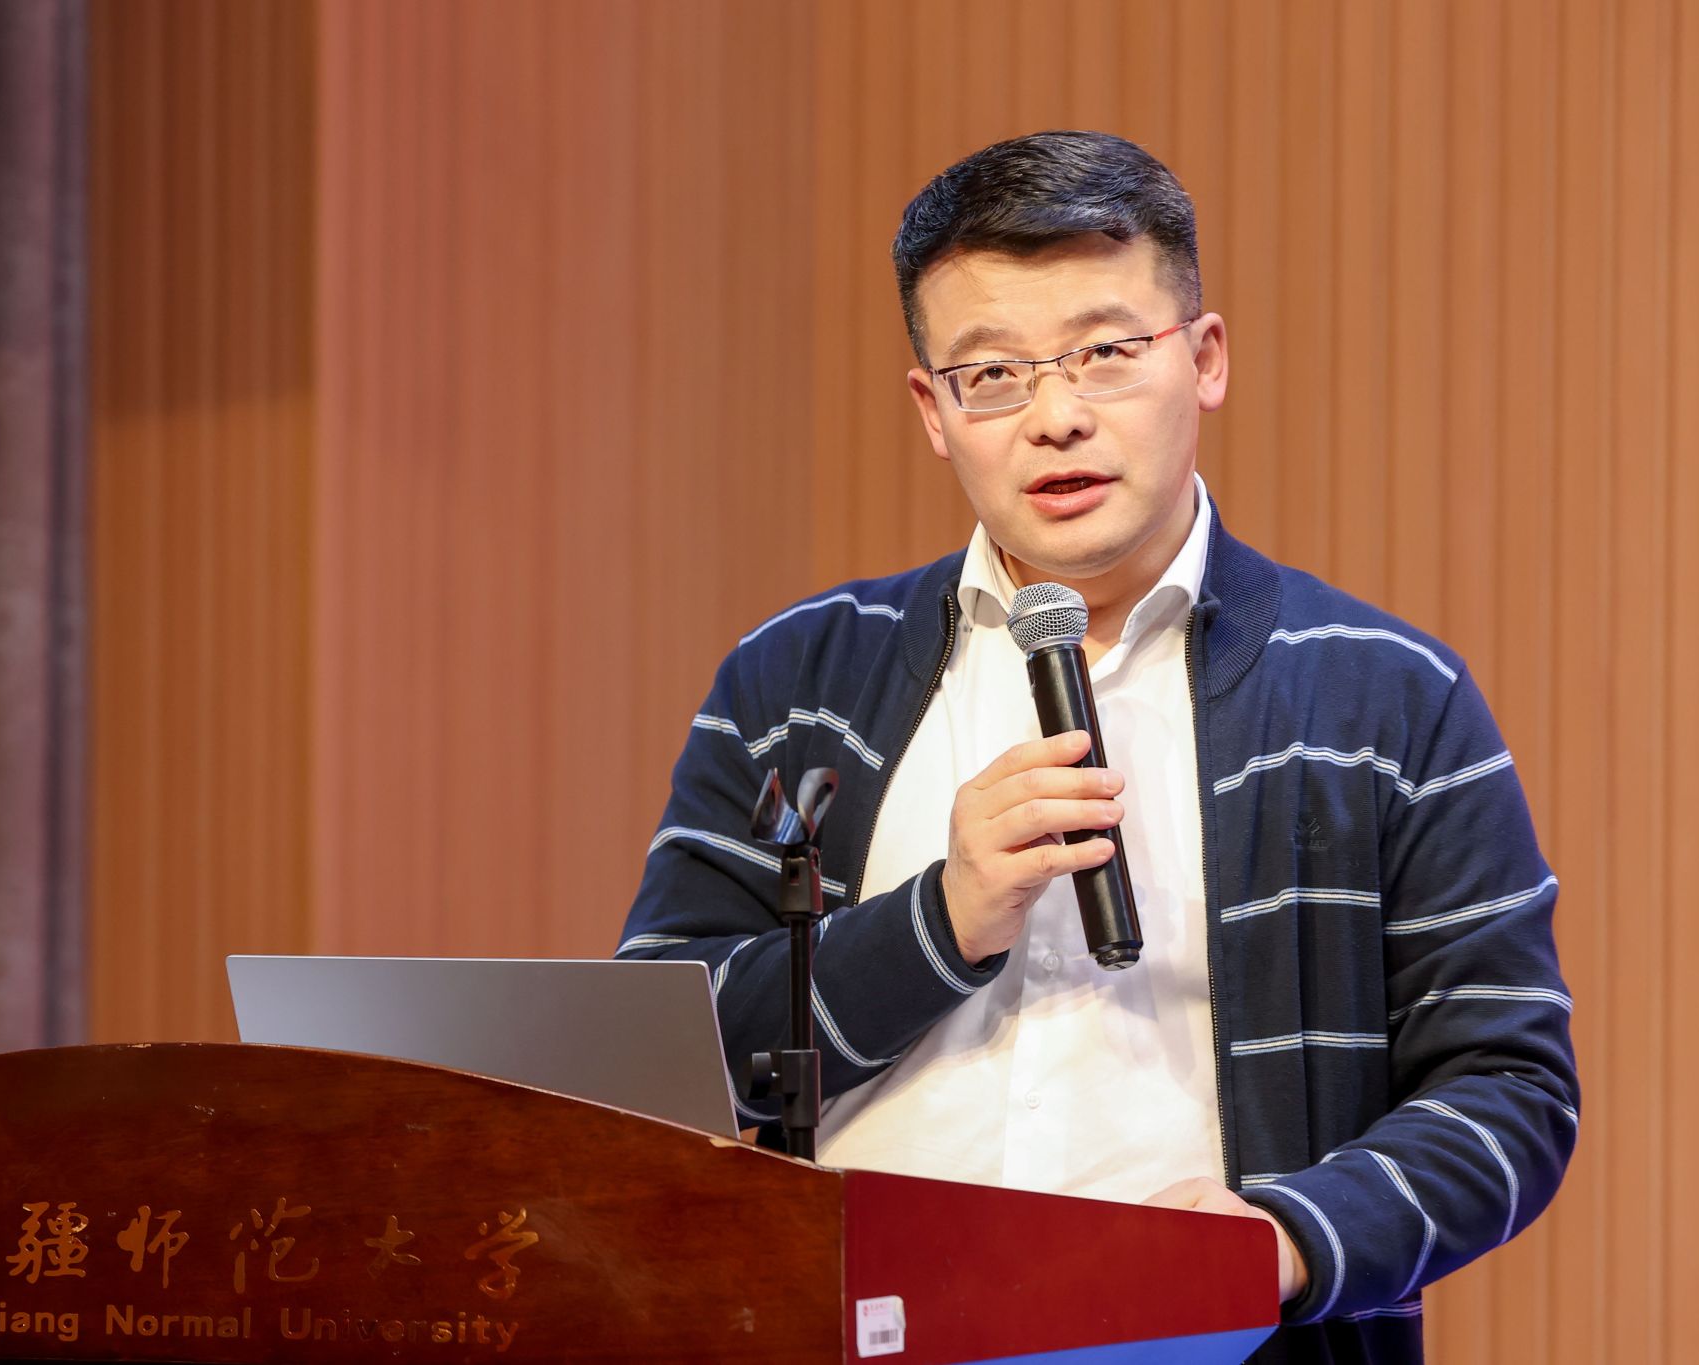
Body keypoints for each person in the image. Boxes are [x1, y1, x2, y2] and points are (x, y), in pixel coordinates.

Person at [615, 130, 1577, 1362]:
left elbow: (1508, 1088)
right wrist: (938, 922)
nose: (1055, 418)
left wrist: (1284, 1241)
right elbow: (662, 1061)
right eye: (992, 374)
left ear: (1204, 359)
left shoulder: (1384, 696)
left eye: (1106, 354)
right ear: (932, 410)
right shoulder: (796, 683)